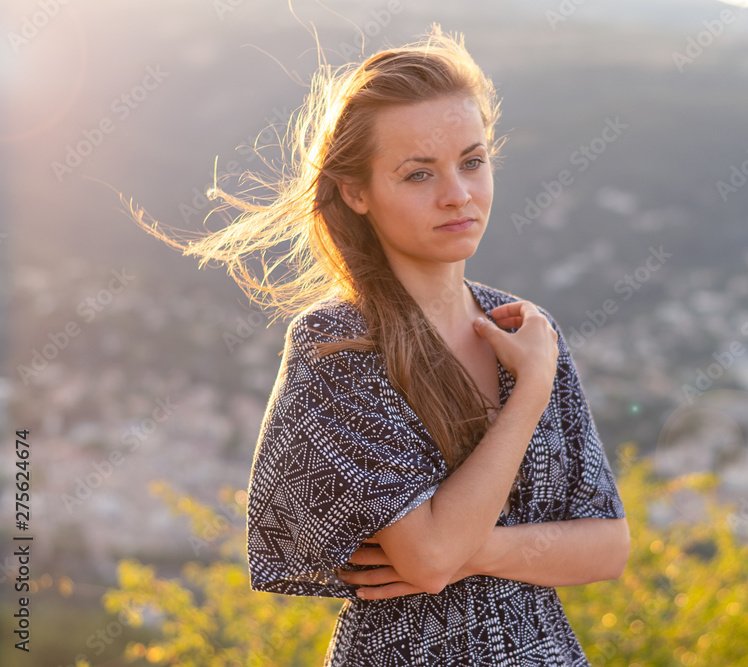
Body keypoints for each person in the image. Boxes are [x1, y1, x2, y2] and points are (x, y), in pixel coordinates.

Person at [133, 23, 629, 666]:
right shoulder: (336, 347)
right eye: (419, 174)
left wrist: (470, 548)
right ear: (356, 191)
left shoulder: (525, 330)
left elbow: (608, 547)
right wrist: (530, 394)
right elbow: (425, 560)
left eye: (472, 162)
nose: (459, 194)